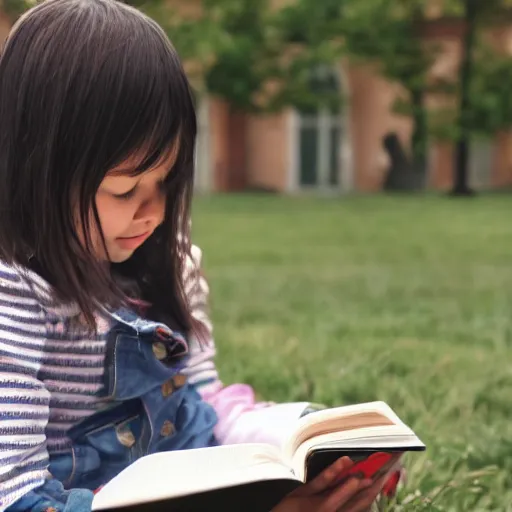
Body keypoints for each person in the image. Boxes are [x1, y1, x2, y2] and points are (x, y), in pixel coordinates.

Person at [0, 1, 388, 510]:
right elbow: (16, 495)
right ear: (39, 167)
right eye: (124, 190)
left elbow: (201, 402)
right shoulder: (16, 293)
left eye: (166, 182)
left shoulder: (168, 264)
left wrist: (305, 448)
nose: (153, 213)